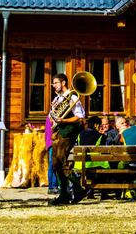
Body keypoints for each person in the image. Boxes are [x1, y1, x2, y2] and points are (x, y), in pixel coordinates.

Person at [48, 73, 86, 206]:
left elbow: (80, 116)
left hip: (68, 131)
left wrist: (63, 120)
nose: (54, 85)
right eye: (53, 83)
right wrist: (53, 110)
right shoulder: (58, 98)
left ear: (63, 83)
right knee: (55, 163)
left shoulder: (72, 96)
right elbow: (52, 116)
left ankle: (78, 189)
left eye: (56, 83)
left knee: (61, 161)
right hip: (59, 131)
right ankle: (64, 193)